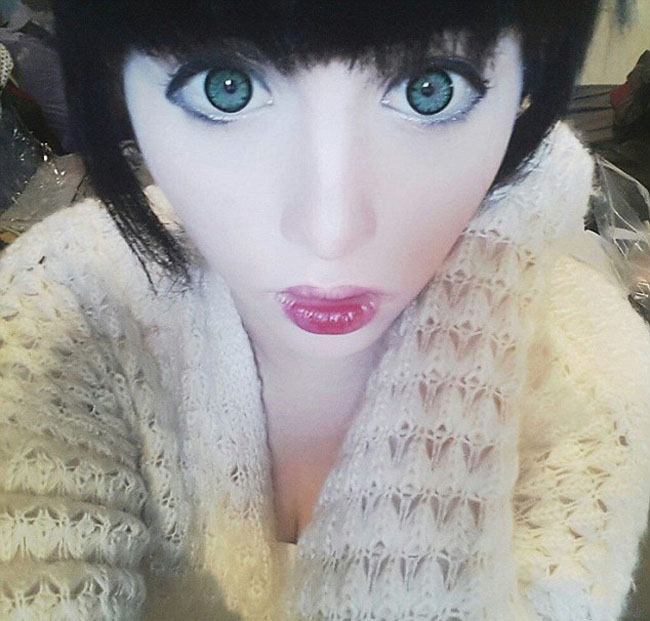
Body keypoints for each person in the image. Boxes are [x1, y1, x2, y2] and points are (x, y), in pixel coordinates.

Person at [1, 1, 649, 619]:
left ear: (526, 88)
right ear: (115, 77)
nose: (330, 232)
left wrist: (475, 312)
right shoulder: (65, 304)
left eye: (430, 90)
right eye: (227, 88)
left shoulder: (594, 379)